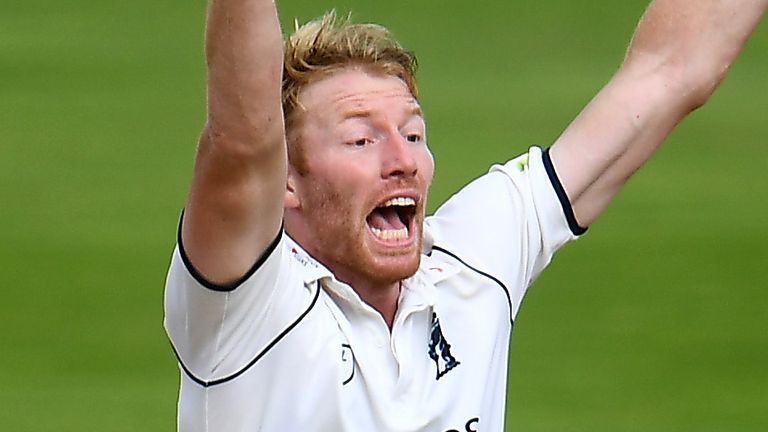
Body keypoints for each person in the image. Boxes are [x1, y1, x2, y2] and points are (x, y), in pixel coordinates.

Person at [163, 1, 767, 430]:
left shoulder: (467, 266)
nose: (403, 161)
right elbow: (242, 139)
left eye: (413, 134)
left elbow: (669, 72)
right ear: (286, 182)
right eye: (361, 141)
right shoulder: (245, 307)